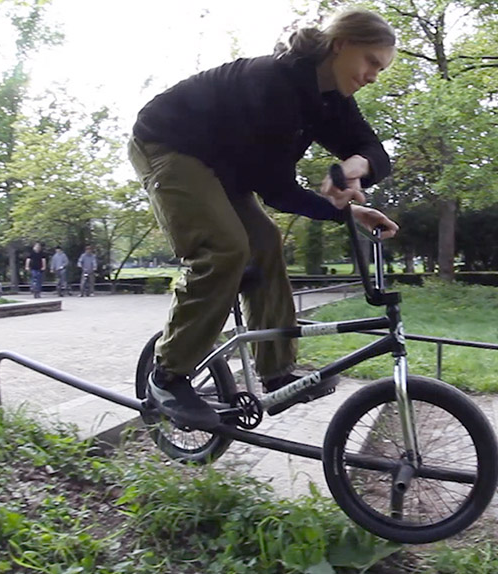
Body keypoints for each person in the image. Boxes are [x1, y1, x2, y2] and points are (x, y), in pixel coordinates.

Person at [127, 8, 399, 429]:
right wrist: (339, 209)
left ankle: (275, 373)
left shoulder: (331, 100)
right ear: (341, 44)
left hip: (225, 165)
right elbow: (275, 189)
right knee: (225, 247)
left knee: (266, 243)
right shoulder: (274, 83)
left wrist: (356, 169)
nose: (373, 76)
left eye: (380, 69)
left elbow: (372, 148)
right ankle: (168, 375)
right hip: (168, 143)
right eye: (371, 62)